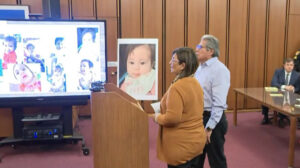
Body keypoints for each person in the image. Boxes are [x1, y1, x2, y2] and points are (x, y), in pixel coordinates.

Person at [151, 47, 206, 168]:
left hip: (181, 147)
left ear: (182, 65)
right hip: (196, 143)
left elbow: (172, 119)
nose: (170, 63)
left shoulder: (178, 87)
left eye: (173, 60)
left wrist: (157, 117)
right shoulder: (195, 83)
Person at [194, 34, 230, 168]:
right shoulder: (200, 67)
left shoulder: (220, 70)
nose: (196, 49)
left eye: (200, 46)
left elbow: (219, 103)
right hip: (198, 117)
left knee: (216, 161)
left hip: (212, 120)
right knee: (196, 159)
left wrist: (209, 127)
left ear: (210, 51)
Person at [261, 58, 300, 127]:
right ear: (284, 65)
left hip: (291, 96)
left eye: (291, 65)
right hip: (278, 95)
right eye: (287, 65)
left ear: (293, 66)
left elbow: (298, 87)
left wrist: (293, 89)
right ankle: (265, 117)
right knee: (264, 99)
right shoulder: (278, 72)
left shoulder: (297, 75)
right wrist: (284, 87)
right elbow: (273, 83)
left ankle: (284, 118)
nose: (289, 67)